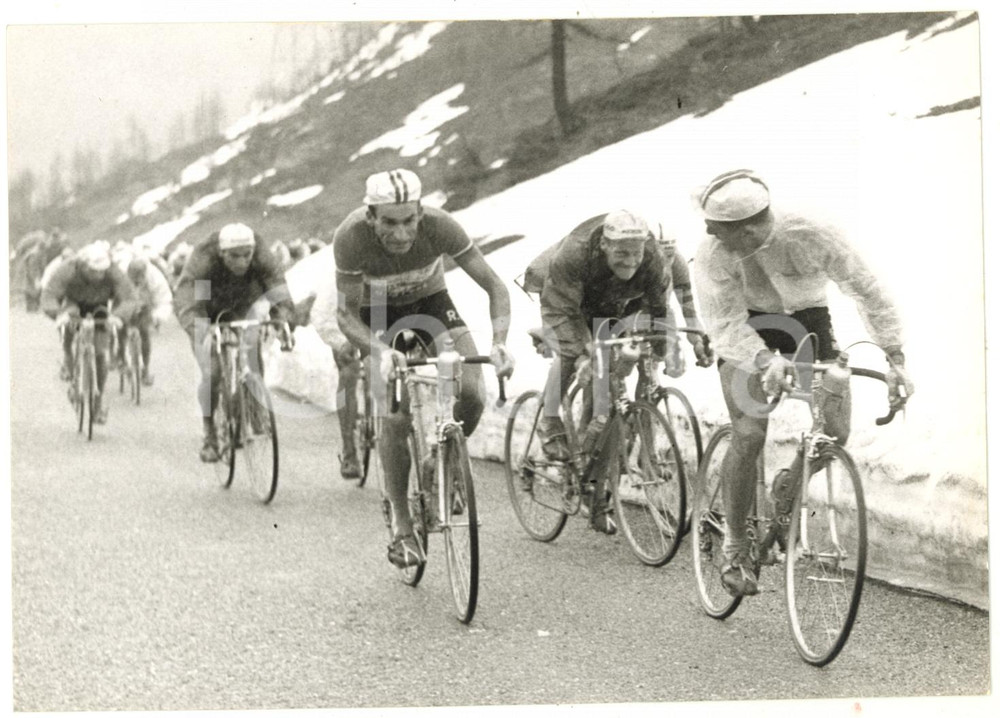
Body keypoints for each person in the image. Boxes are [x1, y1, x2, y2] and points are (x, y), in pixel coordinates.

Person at [691, 168, 915, 597]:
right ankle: (736, 544)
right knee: (750, 431)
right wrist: (761, 359)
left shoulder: (811, 232)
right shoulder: (712, 254)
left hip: (808, 320)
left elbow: (867, 288)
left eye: (729, 233)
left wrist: (895, 354)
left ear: (756, 222)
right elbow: (722, 322)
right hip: (747, 329)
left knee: (834, 432)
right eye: (715, 233)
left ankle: (786, 487)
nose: (722, 242)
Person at [333, 168, 514, 569]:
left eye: (409, 221)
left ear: (420, 212)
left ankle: (439, 461)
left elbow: (495, 285)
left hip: (431, 302)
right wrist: (379, 351)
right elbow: (346, 317)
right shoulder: (350, 237)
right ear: (370, 217)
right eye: (389, 223)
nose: (400, 234)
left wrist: (499, 344)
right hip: (376, 312)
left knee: (472, 392)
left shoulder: (441, 226)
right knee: (394, 419)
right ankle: (401, 525)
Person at [531, 210, 679, 535]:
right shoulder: (577, 252)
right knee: (574, 352)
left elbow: (659, 308)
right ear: (604, 247)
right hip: (564, 296)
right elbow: (565, 311)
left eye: (635, 253)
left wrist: (663, 348)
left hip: (609, 302)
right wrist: (586, 350)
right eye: (621, 253)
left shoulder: (651, 257)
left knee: (606, 392)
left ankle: (596, 489)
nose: (630, 261)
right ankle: (550, 420)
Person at [174, 222, 297, 462]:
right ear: (221, 253)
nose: (242, 262)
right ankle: (209, 433)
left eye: (246, 255)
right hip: (207, 302)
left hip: (242, 302)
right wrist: (200, 330)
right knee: (213, 371)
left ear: (253, 250)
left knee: (251, 351)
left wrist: (282, 319)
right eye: (234, 257)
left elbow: (276, 285)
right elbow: (190, 301)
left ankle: (254, 405)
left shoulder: (261, 254)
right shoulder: (204, 258)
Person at [41, 242, 139, 424]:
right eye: (94, 271)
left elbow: (129, 297)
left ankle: (97, 402)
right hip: (73, 305)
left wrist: (118, 316)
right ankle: (73, 378)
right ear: (83, 265)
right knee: (70, 334)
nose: (99, 275)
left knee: (101, 354)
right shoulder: (68, 268)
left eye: (102, 271)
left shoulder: (112, 270)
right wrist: (57, 314)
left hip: (100, 306)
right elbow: (49, 294)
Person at [310, 276, 365, 480]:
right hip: (342, 325)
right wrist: (341, 343)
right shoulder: (340, 274)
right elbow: (321, 315)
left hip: (377, 316)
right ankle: (349, 450)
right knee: (349, 371)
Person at [120, 256, 174, 386]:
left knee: (144, 333)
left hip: (145, 306)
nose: (137, 280)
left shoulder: (155, 278)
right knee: (120, 329)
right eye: (134, 277)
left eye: (140, 277)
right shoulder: (121, 275)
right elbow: (113, 298)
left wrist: (157, 316)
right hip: (125, 305)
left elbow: (164, 299)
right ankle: (121, 359)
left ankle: (145, 368)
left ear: (145, 274)